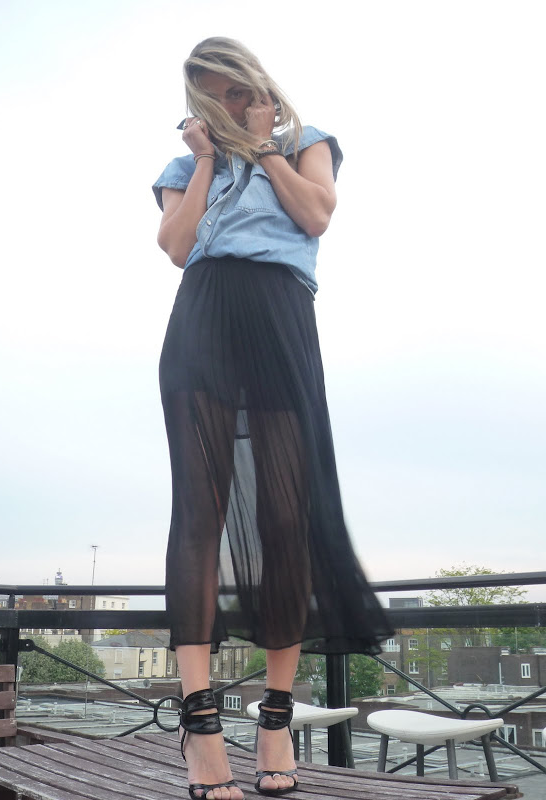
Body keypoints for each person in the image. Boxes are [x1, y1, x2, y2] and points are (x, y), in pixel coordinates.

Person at [153, 37, 393, 800]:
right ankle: (199, 725)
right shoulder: (184, 166)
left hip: (282, 317)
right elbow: (176, 247)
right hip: (204, 316)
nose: (224, 104)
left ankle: (276, 719)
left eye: (235, 89)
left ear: (258, 85)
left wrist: (262, 148)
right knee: (200, 513)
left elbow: (316, 217)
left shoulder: (305, 142)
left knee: (289, 516)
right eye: (211, 95)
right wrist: (206, 162)